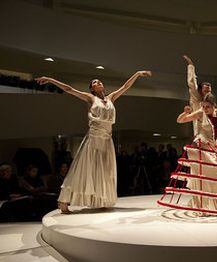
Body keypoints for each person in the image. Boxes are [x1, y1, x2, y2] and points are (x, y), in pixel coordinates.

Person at [36, 70, 151, 213]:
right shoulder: (90, 98)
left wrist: (138, 74)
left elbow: (125, 86)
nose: (99, 82)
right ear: (92, 88)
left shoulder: (111, 98)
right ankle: (63, 200)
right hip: (94, 138)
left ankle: (101, 199)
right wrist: (50, 79)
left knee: (104, 171)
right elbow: (69, 89)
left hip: (107, 139)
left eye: (99, 81)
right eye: (95, 82)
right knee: (84, 169)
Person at [158, 93, 217, 215]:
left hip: (210, 149)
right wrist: (185, 112)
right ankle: (204, 206)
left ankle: (216, 206)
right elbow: (180, 120)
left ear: (214, 106)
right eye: (203, 106)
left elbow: (216, 133)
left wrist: (216, 142)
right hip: (199, 148)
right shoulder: (200, 113)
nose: (205, 109)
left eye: (208, 106)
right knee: (210, 174)